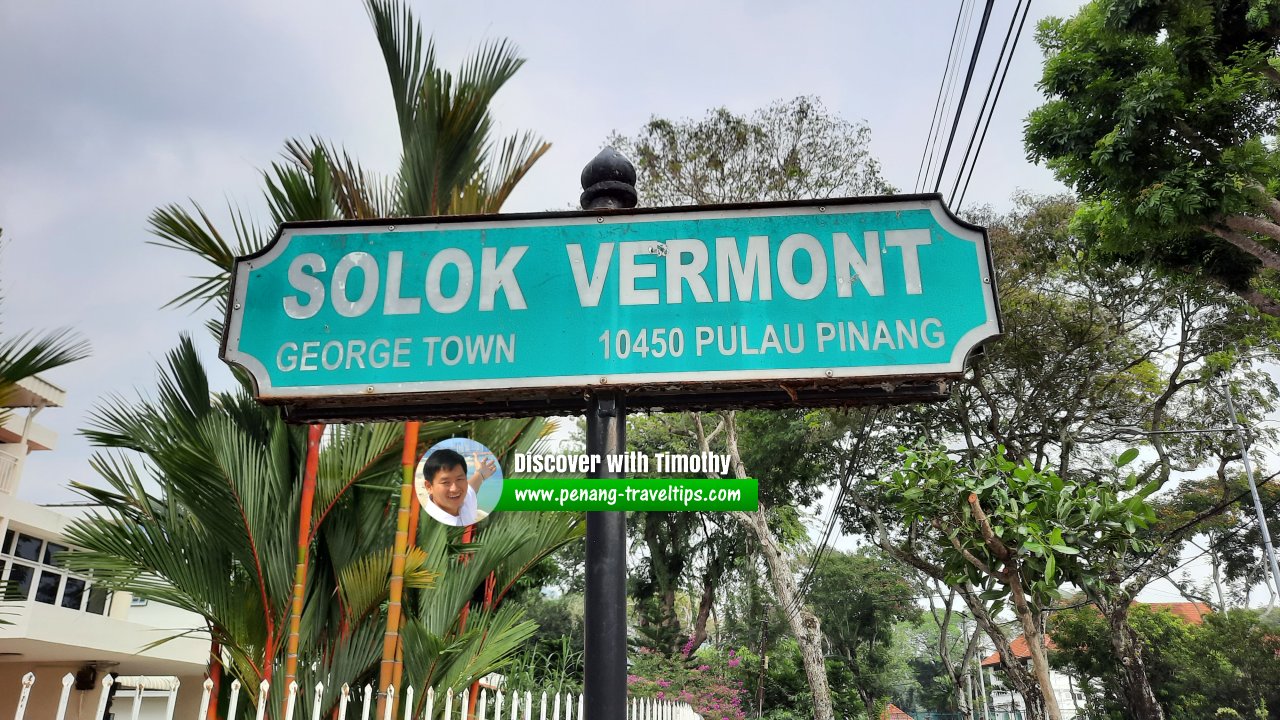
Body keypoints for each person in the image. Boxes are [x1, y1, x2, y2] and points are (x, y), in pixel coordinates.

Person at [417, 448, 497, 526]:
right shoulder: (429, 524)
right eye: (446, 482)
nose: (454, 489)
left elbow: (471, 487)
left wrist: (480, 473)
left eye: (459, 479)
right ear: (429, 487)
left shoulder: (464, 500)